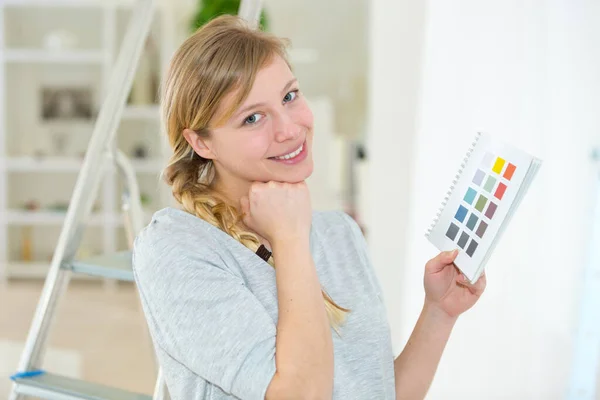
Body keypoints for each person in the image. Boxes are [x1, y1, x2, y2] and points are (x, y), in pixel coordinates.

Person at [132, 15, 486, 400]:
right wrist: (289, 239)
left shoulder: (339, 233)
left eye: (289, 96)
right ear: (202, 143)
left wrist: (439, 312)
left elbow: (376, 392)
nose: (289, 128)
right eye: (252, 118)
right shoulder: (177, 248)